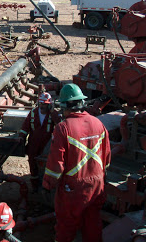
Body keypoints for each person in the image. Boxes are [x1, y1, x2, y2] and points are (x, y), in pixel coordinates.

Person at [42, 84, 111, 242]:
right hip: (97, 185)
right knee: (93, 225)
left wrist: (47, 185)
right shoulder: (98, 124)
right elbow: (106, 158)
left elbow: (55, 166)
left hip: (73, 189)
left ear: (65, 106)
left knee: (66, 228)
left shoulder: (63, 128)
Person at [19, 92, 60, 193]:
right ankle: (35, 187)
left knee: (47, 167)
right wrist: (21, 139)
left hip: (46, 147)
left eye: (45, 104)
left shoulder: (52, 114)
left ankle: (46, 187)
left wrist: (53, 112)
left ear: (49, 105)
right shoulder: (33, 113)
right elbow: (25, 128)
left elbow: (60, 126)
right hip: (33, 145)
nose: (42, 106)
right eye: (41, 104)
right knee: (33, 167)